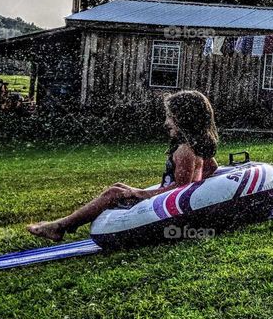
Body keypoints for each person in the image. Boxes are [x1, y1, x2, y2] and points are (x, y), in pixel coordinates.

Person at [27, 90, 219, 241]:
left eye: (170, 116)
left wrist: (142, 193)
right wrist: (200, 180)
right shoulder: (197, 145)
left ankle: (60, 227)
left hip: (166, 207)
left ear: (184, 118)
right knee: (118, 188)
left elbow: (179, 190)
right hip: (167, 199)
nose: (166, 122)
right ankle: (63, 225)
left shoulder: (185, 150)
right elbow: (211, 168)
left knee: (114, 193)